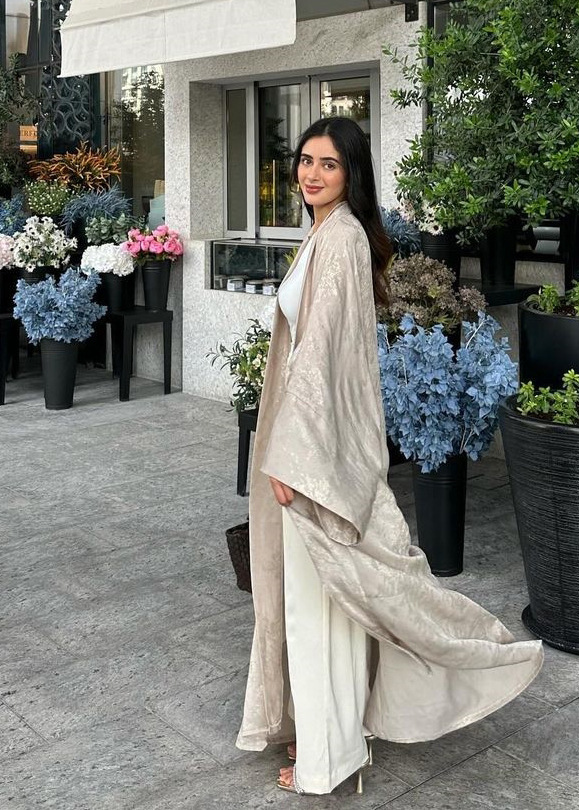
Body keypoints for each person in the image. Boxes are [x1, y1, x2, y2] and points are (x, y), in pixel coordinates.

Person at [235, 116, 544, 795]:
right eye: (306, 161)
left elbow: (324, 355)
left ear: (353, 175)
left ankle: (327, 760)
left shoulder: (342, 237)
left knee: (318, 607)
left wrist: (293, 455)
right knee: (326, 599)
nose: (312, 174)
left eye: (329, 164)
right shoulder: (325, 233)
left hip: (314, 453)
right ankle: (329, 737)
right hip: (310, 442)